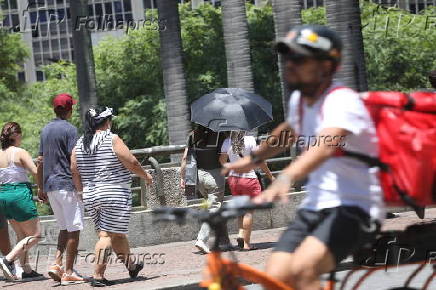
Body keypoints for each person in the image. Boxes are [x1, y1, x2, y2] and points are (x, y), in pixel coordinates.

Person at [224, 25, 384, 290]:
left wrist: (286, 176)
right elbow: (286, 132)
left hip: (355, 206)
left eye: (299, 59)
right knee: (276, 276)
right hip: (316, 205)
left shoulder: (342, 100)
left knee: (303, 270)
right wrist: (252, 159)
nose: (290, 65)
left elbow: (325, 145)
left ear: (326, 65)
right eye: (287, 58)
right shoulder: (301, 99)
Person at [71, 106, 153, 287]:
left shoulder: (80, 143)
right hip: (113, 192)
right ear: (107, 121)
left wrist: (81, 192)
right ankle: (97, 276)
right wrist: (146, 176)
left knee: (117, 234)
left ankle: (131, 266)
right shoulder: (111, 138)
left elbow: (74, 170)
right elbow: (131, 161)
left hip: (91, 195)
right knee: (107, 235)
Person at [36, 93, 85, 285]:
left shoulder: (45, 130)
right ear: (69, 110)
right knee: (74, 229)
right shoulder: (70, 130)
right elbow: (74, 161)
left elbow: (40, 161)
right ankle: (69, 271)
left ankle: (56, 264)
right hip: (66, 185)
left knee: (64, 227)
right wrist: (80, 186)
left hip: (50, 186)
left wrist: (40, 187)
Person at [0, 122, 43, 280]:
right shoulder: (19, 152)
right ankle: (8, 259)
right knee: (36, 235)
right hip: (19, 196)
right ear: (16, 135)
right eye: (21, 133)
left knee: (21, 235)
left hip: (3, 196)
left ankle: (27, 270)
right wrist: (40, 164)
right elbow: (35, 172)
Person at [219, 131, 274, 251]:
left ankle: (240, 235)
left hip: (233, 179)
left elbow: (222, 160)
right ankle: (246, 244)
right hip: (249, 179)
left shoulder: (227, 142)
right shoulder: (250, 140)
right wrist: (270, 176)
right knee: (249, 212)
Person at [180, 124, 230, 254]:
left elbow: (185, 158)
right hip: (215, 177)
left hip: (199, 177)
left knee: (214, 207)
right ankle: (201, 239)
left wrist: (182, 177)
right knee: (214, 208)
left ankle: (224, 241)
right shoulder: (221, 135)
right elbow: (224, 157)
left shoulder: (192, 136)